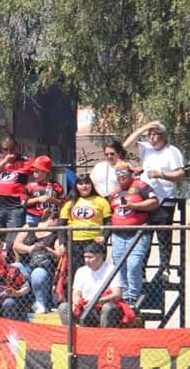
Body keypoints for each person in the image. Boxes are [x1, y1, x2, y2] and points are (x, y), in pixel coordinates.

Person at [124, 120, 186, 276]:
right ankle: (142, 269)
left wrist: (161, 174)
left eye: (155, 134)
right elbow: (125, 146)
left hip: (164, 200)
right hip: (145, 199)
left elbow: (180, 175)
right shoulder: (146, 149)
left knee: (163, 235)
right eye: (149, 135)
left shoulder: (172, 151)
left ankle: (164, 268)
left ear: (163, 136)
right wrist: (145, 127)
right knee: (144, 235)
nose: (151, 138)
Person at [107, 162, 160, 305]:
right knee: (119, 265)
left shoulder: (141, 186)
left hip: (138, 233)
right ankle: (122, 296)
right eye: (118, 173)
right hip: (118, 234)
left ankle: (133, 296)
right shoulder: (114, 192)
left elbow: (155, 202)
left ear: (130, 173)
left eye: (123, 172)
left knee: (134, 264)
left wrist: (134, 206)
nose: (121, 176)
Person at [58, 241, 129, 328]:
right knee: (63, 307)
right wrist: (77, 303)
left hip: (103, 306)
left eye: (90, 257)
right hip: (85, 307)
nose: (87, 260)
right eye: (85, 257)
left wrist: (96, 302)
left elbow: (117, 294)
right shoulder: (81, 271)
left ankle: (104, 337)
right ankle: (73, 337)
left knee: (108, 307)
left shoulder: (112, 269)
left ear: (100, 256)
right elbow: (76, 293)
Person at [60, 174, 110, 280]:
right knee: (77, 272)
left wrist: (104, 237)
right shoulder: (69, 203)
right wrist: (62, 243)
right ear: (76, 186)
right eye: (81, 184)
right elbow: (62, 225)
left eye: (87, 183)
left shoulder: (102, 201)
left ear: (91, 185)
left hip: (95, 241)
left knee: (96, 271)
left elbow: (108, 222)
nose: (84, 186)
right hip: (74, 242)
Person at [0, 134, 31, 245]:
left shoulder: (25, 161)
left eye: (12, 149)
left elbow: (38, 174)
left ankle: (14, 262)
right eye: (5, 149)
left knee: (14, 240)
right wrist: (5, 162)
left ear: (16, 147)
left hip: (15, 206)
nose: (9, 152)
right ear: (1, 149)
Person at [12, 215, 64, 313]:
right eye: (58, 222)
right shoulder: (29, 226)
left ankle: (40, 304)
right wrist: (30, 249)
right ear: (52, 219)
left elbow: (58, 255)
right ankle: (17, 302)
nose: (59, 225)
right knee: (15, 267)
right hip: (26, 265)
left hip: (44, 268)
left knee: (38, 273)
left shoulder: (56, 234)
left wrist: (46, 249)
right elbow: (16, 245)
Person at [23, 155, 65, 228]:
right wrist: (38, 199)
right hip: (33, 217)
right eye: (33, 172)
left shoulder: (56, 186)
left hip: (50, 217)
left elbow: (64, 204)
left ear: (45, 172)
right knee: (31, 237)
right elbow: (24, 202)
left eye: (36, 172)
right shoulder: (30, 186)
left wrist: (53, 200)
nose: (34, 174)